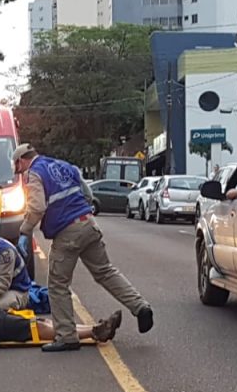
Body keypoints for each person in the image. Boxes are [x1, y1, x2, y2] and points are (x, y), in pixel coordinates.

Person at [13, 143, 155, 353]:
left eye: (18, 166)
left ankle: (67, 336)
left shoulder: (34, 173)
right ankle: (141, 307)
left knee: (57, 284)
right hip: (88, 223)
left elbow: (37, 207)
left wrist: (24, 232)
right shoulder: (63, 165)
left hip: (67, 232)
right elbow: (87, 193)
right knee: (105, 271)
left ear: (22, 160)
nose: (20, 171)